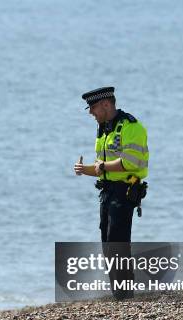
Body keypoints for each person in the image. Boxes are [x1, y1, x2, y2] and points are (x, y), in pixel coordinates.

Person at [74, 87, 149, 300]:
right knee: (108, 245)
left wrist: (103, 167)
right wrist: (84, 170)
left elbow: (130, 162)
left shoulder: (131, 127)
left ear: (106, 104)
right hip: (107, 193)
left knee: (118, 244)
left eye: (93, 107)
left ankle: (125, 296)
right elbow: (101, 168)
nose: (90, 112)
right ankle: (119, 294)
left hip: (125, 192)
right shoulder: (104, 129)